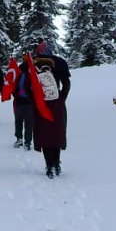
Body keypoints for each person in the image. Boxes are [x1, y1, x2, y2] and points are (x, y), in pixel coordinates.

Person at [29, 40, 71, 178]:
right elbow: (66, 82)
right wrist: (61, 97)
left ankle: (49, 165)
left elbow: (26, 85)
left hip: (41, 103)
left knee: (44, 135)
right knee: (56, 133)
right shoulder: (59, 63)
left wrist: (34, 99)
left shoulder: (33, 65)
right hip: (56, 102)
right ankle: (56, 162)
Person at [11, 54, 34, 150]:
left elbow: (14, 85)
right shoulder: (32, 72)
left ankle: (20, 139)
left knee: (19, 121)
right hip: (28, 101)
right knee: (28, 122)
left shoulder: (18, 72)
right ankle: (27, 141)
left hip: (20, 100)